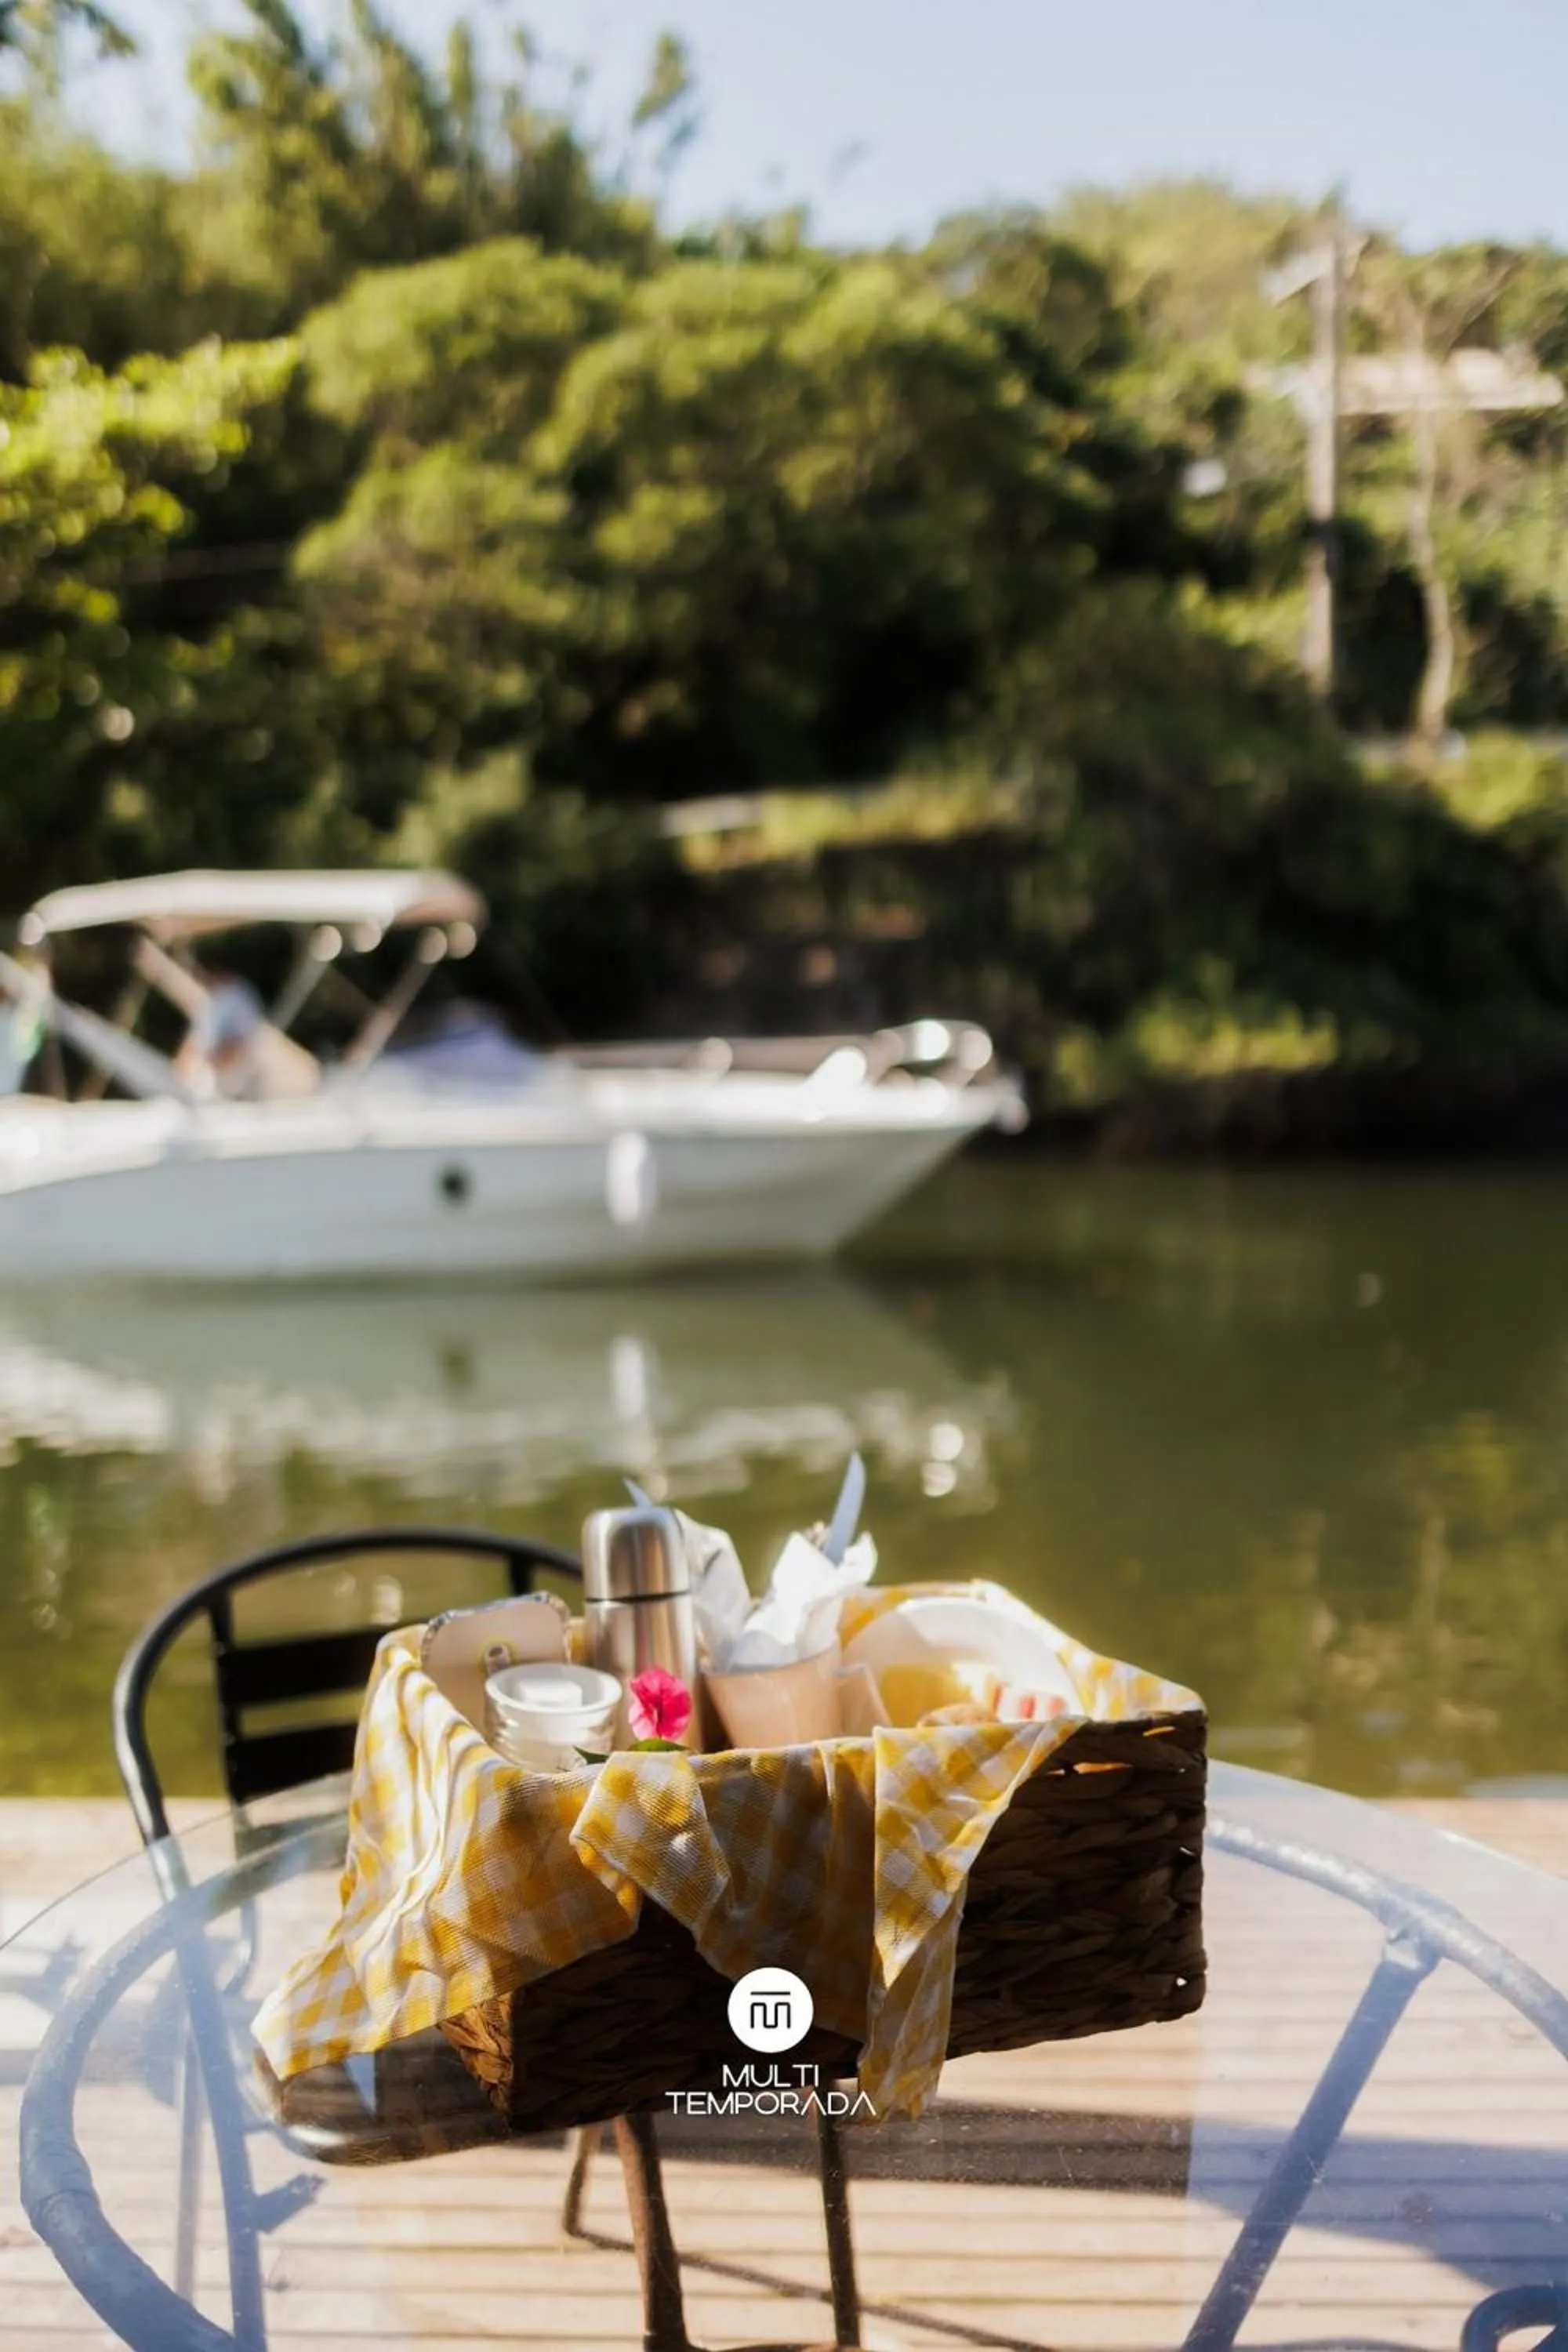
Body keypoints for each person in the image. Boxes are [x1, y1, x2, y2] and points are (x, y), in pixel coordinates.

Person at [174, 967, 265, 1099]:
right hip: (201, 1072)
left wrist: (213, 1066)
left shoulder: (240, 999)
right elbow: (196, 1040)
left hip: (222, 1076)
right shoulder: (214, 999)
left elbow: (239, 1043)